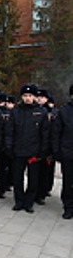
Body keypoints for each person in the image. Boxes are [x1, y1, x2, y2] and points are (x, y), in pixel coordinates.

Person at [5, 84, 49, 213]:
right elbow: (9, 131)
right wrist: (9, 147)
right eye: (25, 95)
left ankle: (29, 202)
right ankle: (19, 201)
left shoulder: (41, 112)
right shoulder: (16, 111)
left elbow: (45, 133)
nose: (28, 98)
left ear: (35, 97)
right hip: (18, 151)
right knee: (17, 179)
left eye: (30, 95)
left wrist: (43, 150)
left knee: (33, 179)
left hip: (34, 152)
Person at [52, 84, 73, 219]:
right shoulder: (64, 111)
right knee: (68, 181)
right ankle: (68, 207)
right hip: (68, 152)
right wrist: (57, 151)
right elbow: (56, 133)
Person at [36, 88, 57, 205]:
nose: (39, 99)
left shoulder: (53, 112)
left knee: (45, 172)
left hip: (48, 146)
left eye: (42, 97)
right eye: (38, 97)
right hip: (35, 145)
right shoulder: (33, 110)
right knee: (34, 172)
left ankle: (42, 193)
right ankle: (33, 192)